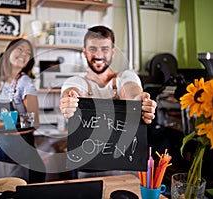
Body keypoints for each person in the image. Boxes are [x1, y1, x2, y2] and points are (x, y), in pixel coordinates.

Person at [59, 25, 157, 178]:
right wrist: (69, 102)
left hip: (126, 169)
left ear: (112, 52)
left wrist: (140, 101)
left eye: (104, 49)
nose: (99, 55)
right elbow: (72, 92)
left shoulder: (126, 77)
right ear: (84, 52)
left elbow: (131, 90)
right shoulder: (76, 81)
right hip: (87, 169)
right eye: (93, 49)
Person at [0, 38, 46, 183]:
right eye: (20, 49)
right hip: (2, 147)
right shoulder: (7, 81)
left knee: (15, 189)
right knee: (0, 188)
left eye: (28, 52)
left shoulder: (26, 82)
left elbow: (35, 122)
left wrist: (8, 129)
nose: (24, 54)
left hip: (19, 150)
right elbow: (6, 95)